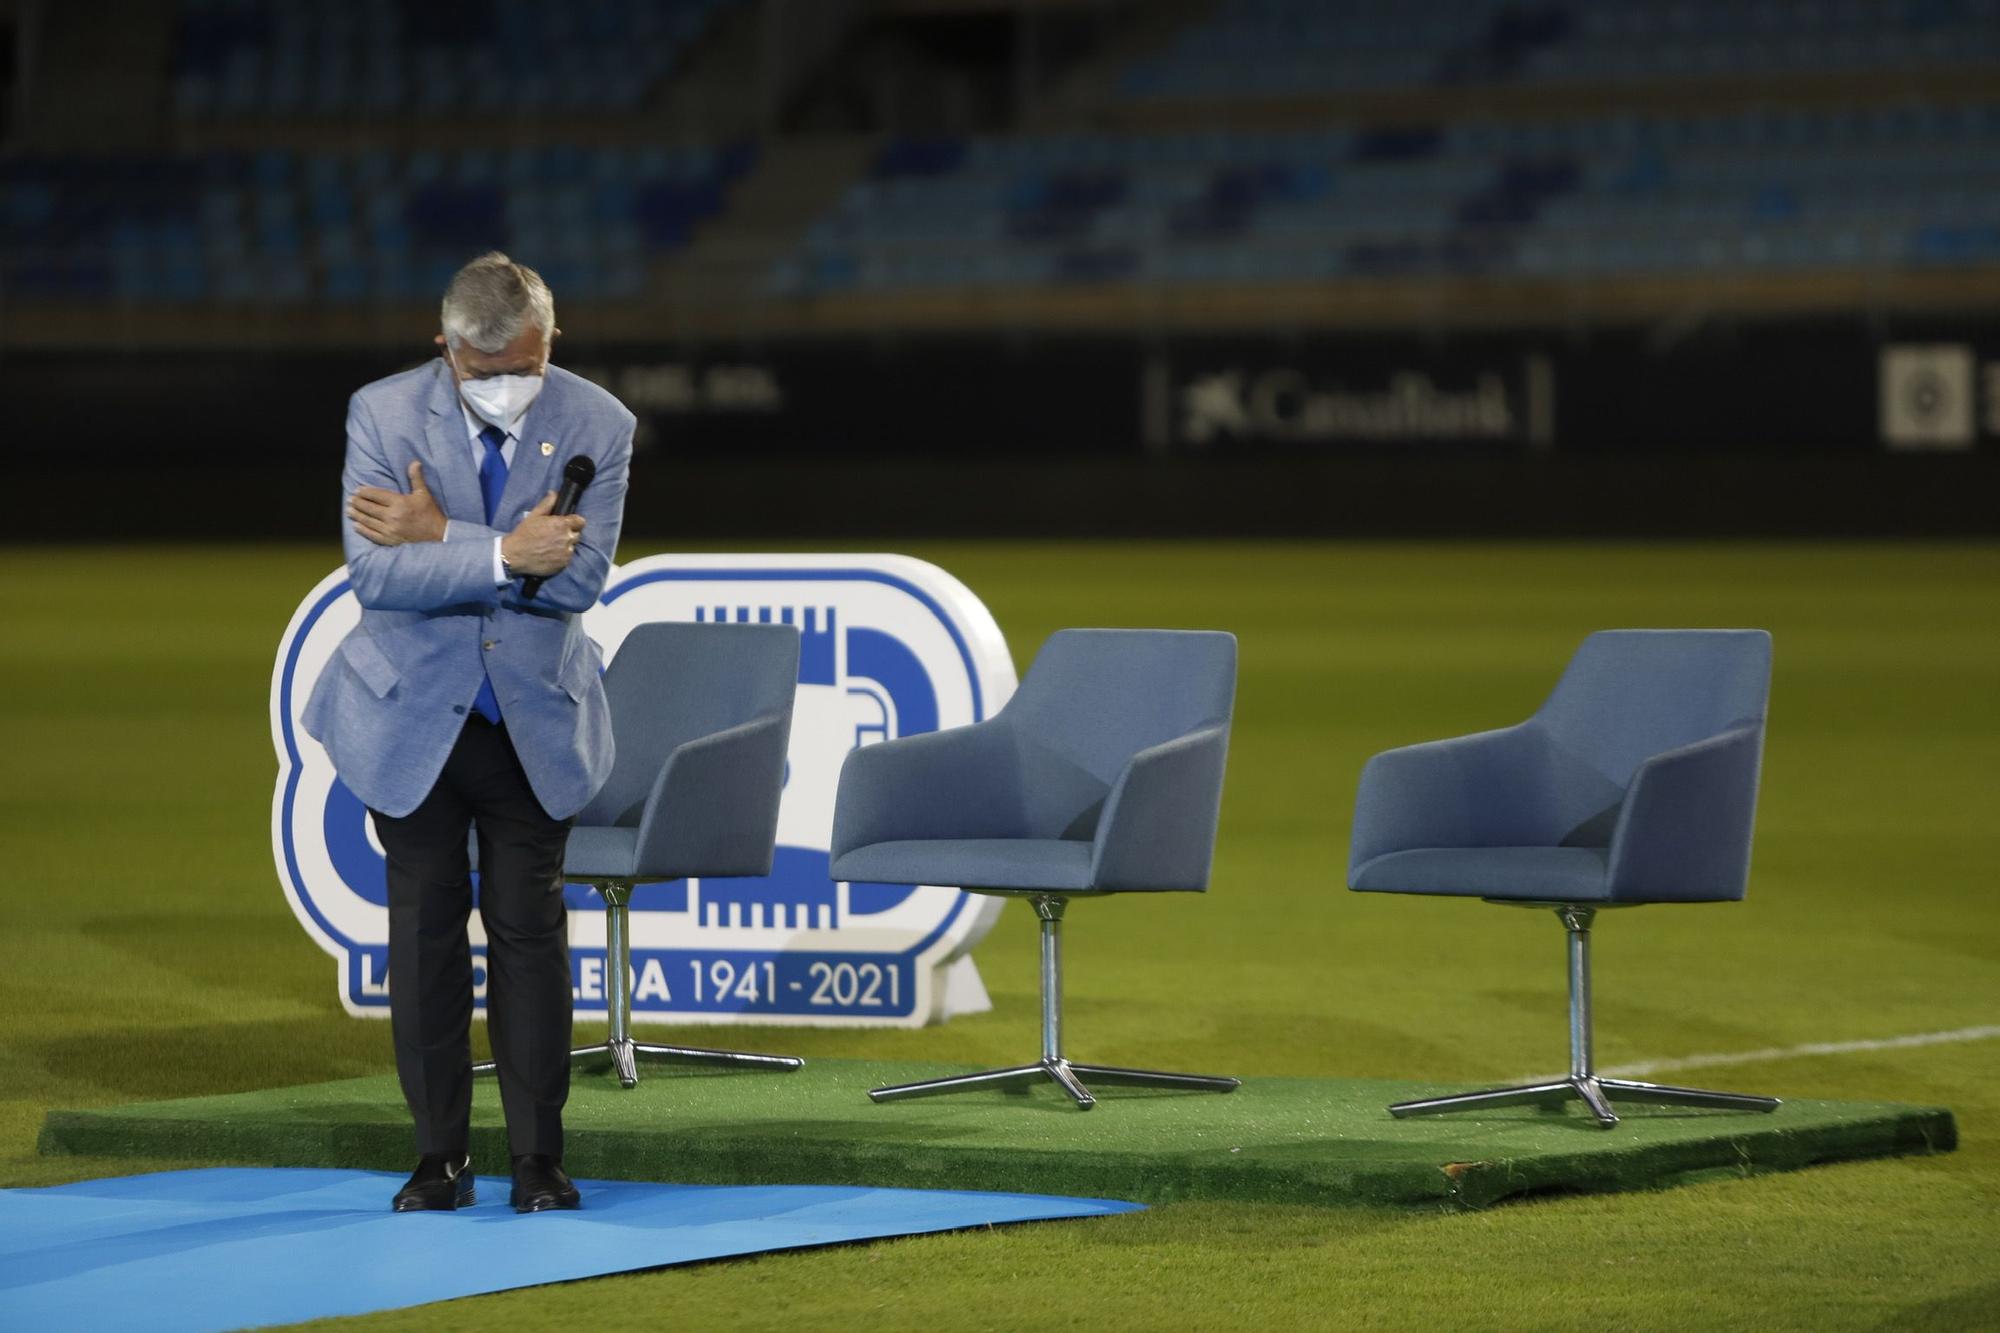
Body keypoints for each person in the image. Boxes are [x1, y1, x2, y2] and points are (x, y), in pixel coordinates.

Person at [303, 252, 634, 1213]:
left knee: (531, 933)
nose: (502, 386)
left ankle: (539, 1160)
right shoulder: (381, 412)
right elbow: (375, 577)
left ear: (551, 340)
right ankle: (438, 1158)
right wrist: (498, 549)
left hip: (533, 718)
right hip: (410, 716)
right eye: (480, 371)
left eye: (522, 366)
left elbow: (576, 582)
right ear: (442, 347)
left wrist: (435, 532)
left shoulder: (600, 422)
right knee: (425, 937)